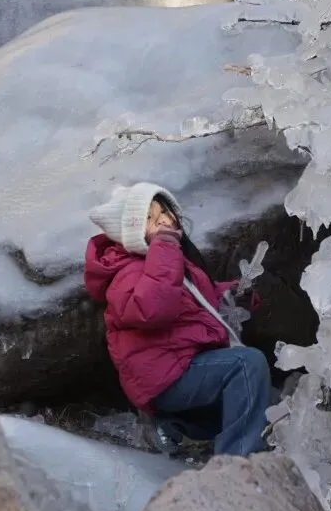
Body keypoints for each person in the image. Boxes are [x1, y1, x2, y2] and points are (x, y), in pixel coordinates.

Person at [84, 182, 270, 457]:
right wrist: (164, 247)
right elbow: (154, 308)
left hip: (182, 364)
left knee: (251, 400)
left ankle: (171, 427)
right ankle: (238, 462)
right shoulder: (128, 272)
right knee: (246, 366)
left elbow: (199, 299)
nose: (162, 219)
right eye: (149, 217)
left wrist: (232, 296)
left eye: (163, 211)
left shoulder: (167, 262)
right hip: (164, 377)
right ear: (131, 231)